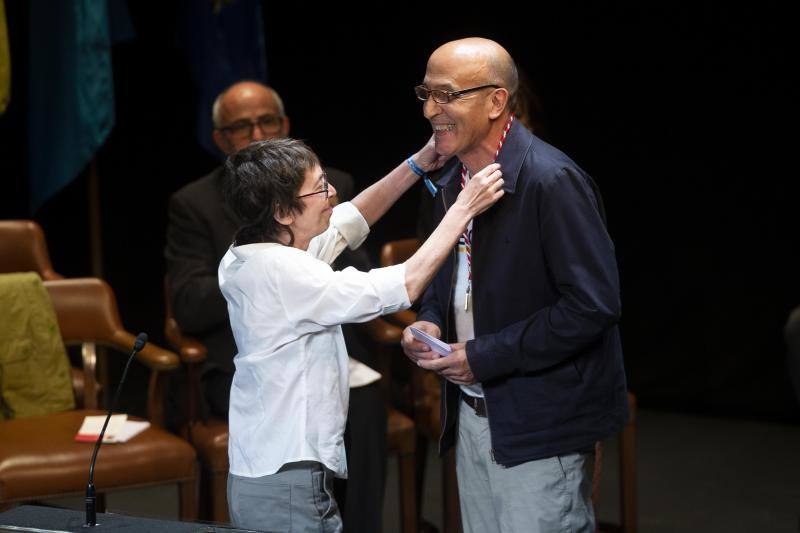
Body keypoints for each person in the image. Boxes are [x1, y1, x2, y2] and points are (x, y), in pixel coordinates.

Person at [401, 38, 629, 533]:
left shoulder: (552, 180)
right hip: (474, 413)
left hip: (539, 424)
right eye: (426, 93)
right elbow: (447, 276)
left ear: (497, 100)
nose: (430, 110)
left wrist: (482, 355)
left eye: (446, 95)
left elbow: (591, 307)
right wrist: (430, 318)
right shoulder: (454, 180)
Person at [219, 138, 503, 532]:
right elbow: (408, 281)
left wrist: (417, 164)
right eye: (319, 187)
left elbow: (348, 220)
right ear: (283, 212)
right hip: (287, 485)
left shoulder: (246, 251)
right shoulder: (286, 275)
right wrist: (464, 208)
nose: (331, 192)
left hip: (264, 473)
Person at [164, 80, 378, 531]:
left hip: (330, 334)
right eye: (242, 126)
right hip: (241, 358)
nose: (257, 133)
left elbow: (354, 263)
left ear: (284, 125)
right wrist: (265, 268)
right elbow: (188, 302)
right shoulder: (196, 204)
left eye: (267, 121)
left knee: (366, 397)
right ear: (221, 139)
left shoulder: (327, 185)